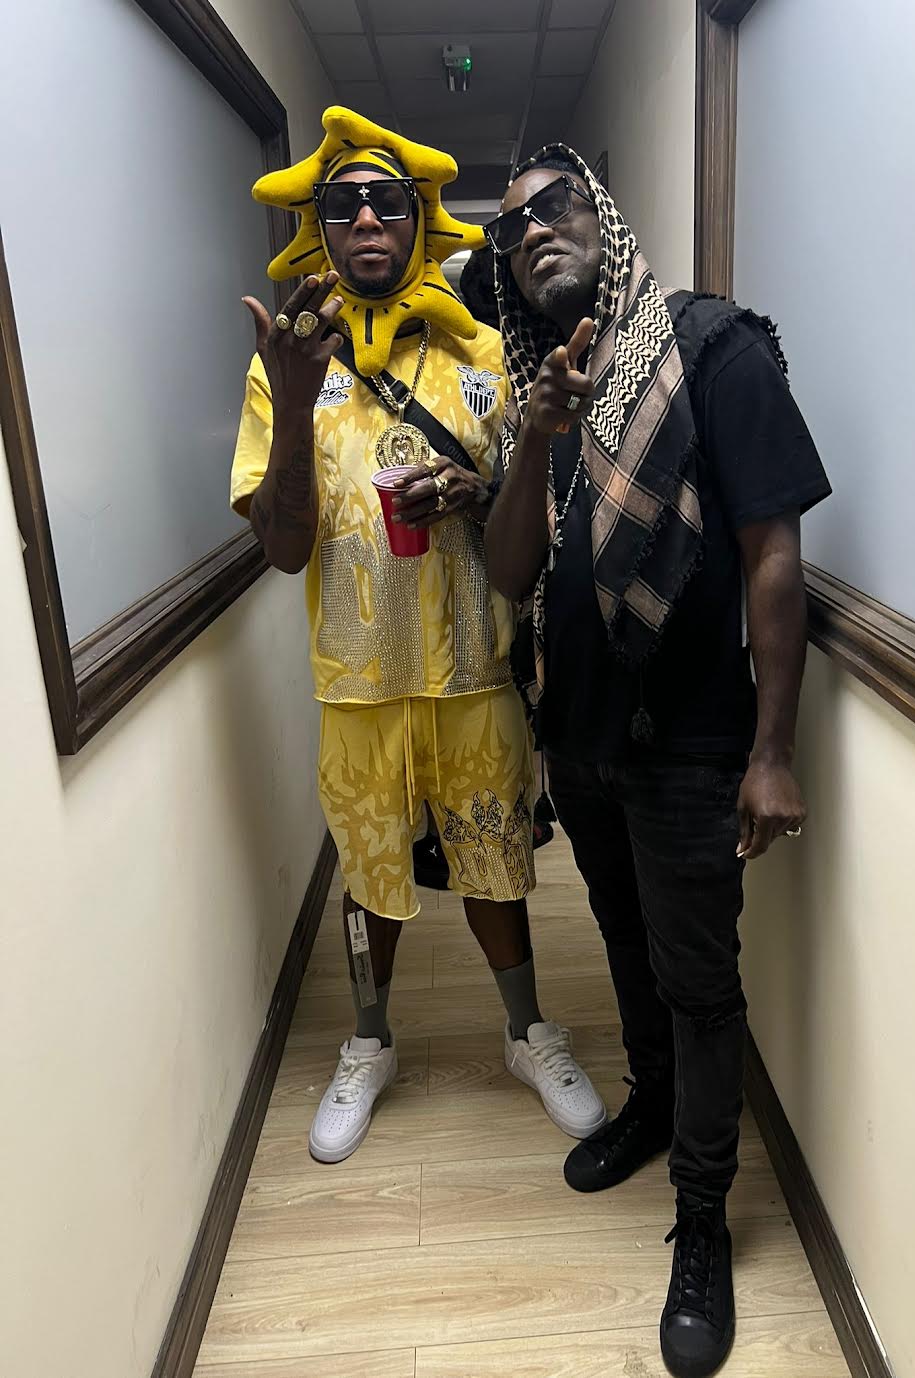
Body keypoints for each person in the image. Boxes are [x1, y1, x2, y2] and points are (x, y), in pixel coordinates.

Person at [483, 145, 831, 1378]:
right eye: (512, 228)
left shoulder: (711, 347)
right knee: (623, 945)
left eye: (555, 205)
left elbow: (770, 555)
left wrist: (772, 749)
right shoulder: (540, 390)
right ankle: (647, 1104)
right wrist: (536, 432)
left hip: (690, 744)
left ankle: (701, 1217)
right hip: (579, 737)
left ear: (604, 219)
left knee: (697, 982)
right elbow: (510, 572)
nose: (534, 232)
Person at [230, 110, 605, 1167]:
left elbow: (528, 514)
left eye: (386, 202)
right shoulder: (281, 368)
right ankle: (369, 1041)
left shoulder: (484, 353)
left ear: (418, 220)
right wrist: (293, 403)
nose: (365, 219)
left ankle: (528, 1033)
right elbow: (284, 551)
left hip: (475, 669)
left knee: (497, 863)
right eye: (343, 204)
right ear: (317, 228)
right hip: (357, 682)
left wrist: (473, 490)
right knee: (369, 875)